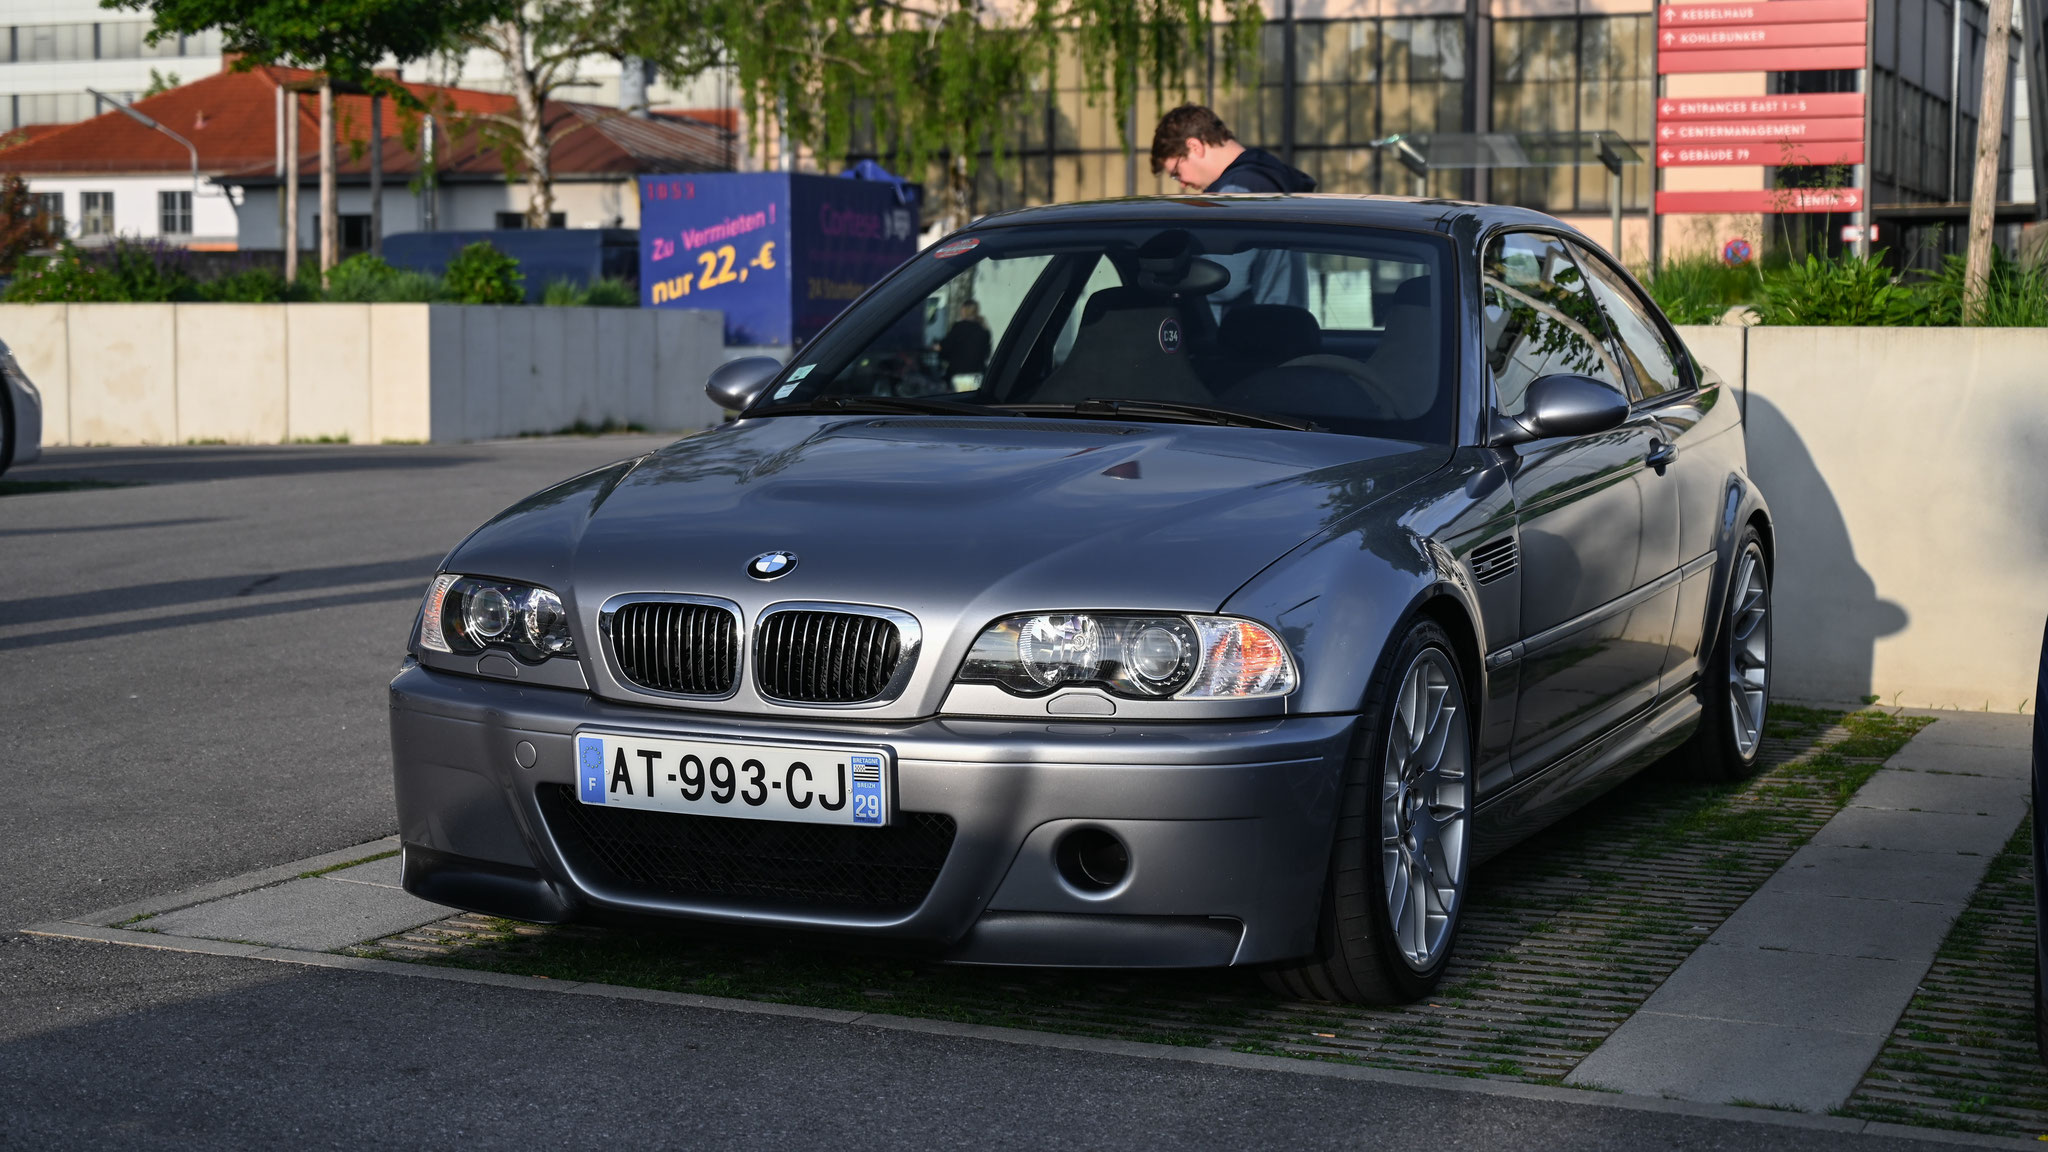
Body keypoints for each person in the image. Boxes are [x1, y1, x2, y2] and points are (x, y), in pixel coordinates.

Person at [1148, 105, 1314, 318]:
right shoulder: (1269, 180)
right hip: (1283, 326)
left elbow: (1224, 283)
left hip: (1251, 337)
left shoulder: (1235, 194)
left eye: (1176, 172)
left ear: (1195, 146)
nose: (1182, 184)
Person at [936, 298, 992, 385]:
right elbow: (986, 354)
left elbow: (946, 348)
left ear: (964, 310)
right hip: (977, 377)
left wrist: (938, 348)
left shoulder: (958, 327)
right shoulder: (984, 330)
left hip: (958, 376)